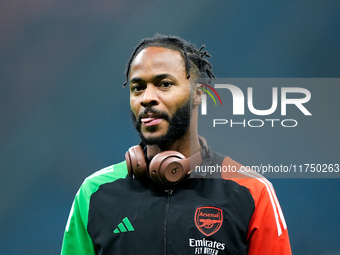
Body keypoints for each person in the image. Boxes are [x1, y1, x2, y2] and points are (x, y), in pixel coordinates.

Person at [61, 35, 292, 255]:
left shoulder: (252, 191)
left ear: (198, 94)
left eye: (164, 84)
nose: (146, 98)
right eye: (137, 88)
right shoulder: (94, 193)